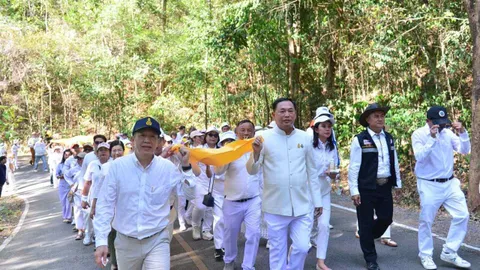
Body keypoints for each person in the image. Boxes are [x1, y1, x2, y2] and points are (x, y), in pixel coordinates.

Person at [93, 117, 197, 270]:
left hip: (157, 239)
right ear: (133, 140)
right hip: (126, 242)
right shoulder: (117, 167)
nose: (147, 140)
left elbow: (190, 195)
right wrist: (101, 241)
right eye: (142, 136)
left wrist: (186, 167)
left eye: (152, 137)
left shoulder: (167, 168)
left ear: (158, 142)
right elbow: (105, 204)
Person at [247, 98, 322, 270]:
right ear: (274, 115)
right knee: (277, 251)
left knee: (303, 247)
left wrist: (317, 201)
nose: (286, 114)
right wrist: (255, 154)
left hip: (302, 205)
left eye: (290, 111)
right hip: (275, 207)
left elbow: (312, 171)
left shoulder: (305, 137)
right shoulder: (263, 138)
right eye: (282, 111)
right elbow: (252, 171)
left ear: (295, 114)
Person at [412, 105, 471, 269]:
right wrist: (431, 138)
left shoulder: (447, 133)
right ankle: (425, 255)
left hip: (450, 183)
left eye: (443, 122)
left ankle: (450, 251)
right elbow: (420, 157)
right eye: (437, 122)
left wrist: (463, 133)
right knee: (426, 220)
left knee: (462, 215)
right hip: (428, 184)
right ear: (428, 121)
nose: (441, 125)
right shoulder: (418, 134)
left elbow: (464, 150)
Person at [348, 103, 401, 270]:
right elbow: (354, 167)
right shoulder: (360, 140)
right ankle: (370, 258)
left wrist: (397, 183)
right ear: (367, 120)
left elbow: (395, 162)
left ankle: (366, 236)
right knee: (365, 222)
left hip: (384, 186)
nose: (380, 118)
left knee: (386, 218)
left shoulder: (389, 137)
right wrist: (354, 191)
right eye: (376, 116)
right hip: (366, 188)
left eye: (382, 116)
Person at [216, 122, 263, 270]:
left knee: (254, 234)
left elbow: (255, 171)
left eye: (249, 130)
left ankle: (248, 266)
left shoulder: (259, 148)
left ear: (254, 132)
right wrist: (225, 155)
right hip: (232, 201)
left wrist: (256, 153)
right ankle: (229, 260)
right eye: (242, 130)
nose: (246, 132)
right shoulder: (231, 150)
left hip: (253, 200)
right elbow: (218, 172)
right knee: (230, 234)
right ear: (236, 132)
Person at [310, 110, 339, 270]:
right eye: (323, 126)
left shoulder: (331, 147)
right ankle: (292, 260)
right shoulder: (309, 146)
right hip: (308, 192)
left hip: (324, 191)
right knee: (305, 228)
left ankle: (320, 262)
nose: (327, 129)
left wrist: (334, 175)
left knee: (324, 226)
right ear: (316, 129)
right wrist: (322, 172)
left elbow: (333, 168)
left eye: (329, 126)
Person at [82, 142, 112, 246]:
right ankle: (88, 235)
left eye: (105, 150)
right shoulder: (92, 164)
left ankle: (103, 243)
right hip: (94, 196)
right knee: (90, 218)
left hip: (108, 197)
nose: (103, 152)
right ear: (97, 153)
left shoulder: (113, 164)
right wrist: (83, 198)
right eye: (100, 150)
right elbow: (87, 182)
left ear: (109, 152)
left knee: (105, 221)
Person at [189, 130, 215, 241]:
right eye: (210, 135)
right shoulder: (198, 150)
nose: (213, 137)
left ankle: (206, 230)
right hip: (199, 180)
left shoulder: (220, 150)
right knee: (200, 206)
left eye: (215, 135)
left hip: (214, 182)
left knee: (210, 208)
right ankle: (195, 226)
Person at [56, 149, 73, 223]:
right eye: (66, 155)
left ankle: (68, 217)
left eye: (69, 155)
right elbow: (57, 174)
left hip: (70, 185)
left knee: (68, 201)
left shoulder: (73, 164)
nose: (67, 156)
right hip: (62, 185)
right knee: (63, 202)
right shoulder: (60, 165)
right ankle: (65, 215)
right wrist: (60, 176)